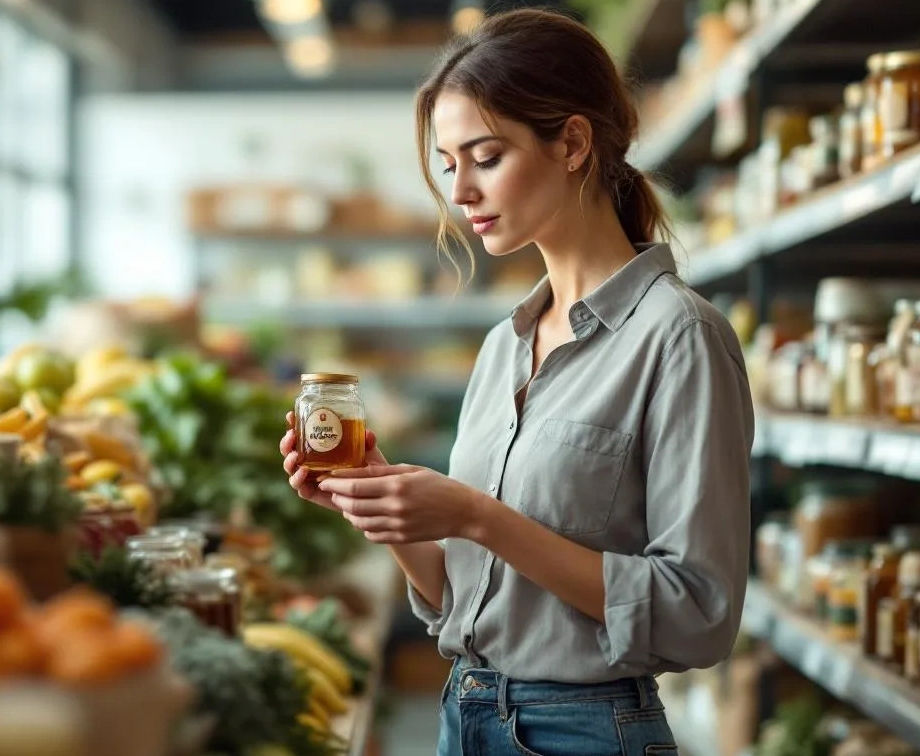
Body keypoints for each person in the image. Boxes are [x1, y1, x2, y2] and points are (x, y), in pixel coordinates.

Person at [279, 8, 753, 756]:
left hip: (588, 731)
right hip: (464, 715)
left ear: (571, 142)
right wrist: (379, 503)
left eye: (485, 156)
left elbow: (699, 613)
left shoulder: (679, 337)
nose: (460, 190)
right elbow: (457, 601)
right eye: (447, 164)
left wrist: (475, 515)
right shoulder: (505, 345)